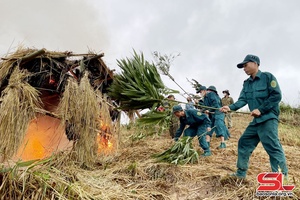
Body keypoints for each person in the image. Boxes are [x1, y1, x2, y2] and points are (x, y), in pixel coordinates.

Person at [220, 54, 288, 179]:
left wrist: (261, 109)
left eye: (245, 65)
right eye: (242, 67)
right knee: (244, 142)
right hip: (256, 121)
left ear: (255, 64)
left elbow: (276, 96)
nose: (244, 68)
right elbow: (242, 100)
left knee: (272, 147)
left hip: (268, 118)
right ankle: (241, 174)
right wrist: (230, 108)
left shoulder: (267, 77)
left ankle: (282, 179)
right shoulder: (247, 83)